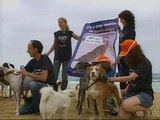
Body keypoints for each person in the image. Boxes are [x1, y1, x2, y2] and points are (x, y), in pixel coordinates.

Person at [109, 39, 154, 119]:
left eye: (127, 53)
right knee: (122, 116)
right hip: (131, 92)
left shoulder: (144, 63)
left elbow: (131, 77)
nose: (126, 56)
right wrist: (126, 88)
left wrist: (110, 79)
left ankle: (146, 110)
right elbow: (132, 80)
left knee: (126, 105)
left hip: (145, 94)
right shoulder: (132, 61)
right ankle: (133, 110)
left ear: (133, 52)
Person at [19, 40, 57, 115]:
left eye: (29, 48)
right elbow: (23, 71)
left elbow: (43, 78)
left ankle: (37, 107)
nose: (27, 51)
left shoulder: (45, 59)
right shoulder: (32, 62)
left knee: (33, 84)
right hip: (39, 89)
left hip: (50, 87)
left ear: (36, 49)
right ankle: (36, 104)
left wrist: (26, 73)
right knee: (21, 111)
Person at [46, 17, 80, 90]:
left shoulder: (70, 33)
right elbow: (54, 45)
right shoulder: (57, 33)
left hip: (67, 57)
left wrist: (86, 37)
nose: (60, 24)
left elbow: (78, 38)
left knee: (64, 77)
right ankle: (53, 90)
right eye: (59, 22)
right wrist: (48, 53)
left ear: (65, 23)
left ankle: (63, 91)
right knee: (54, 75)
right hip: (57, 57)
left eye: (61, 22)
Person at [116, 10, 136, 98]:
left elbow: (127, 46)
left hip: (127, 58)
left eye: (122, 19)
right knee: (121, 78)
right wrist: (117, 26)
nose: (121, 21)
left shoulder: (131, 31)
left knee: (127, 77)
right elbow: (121, 36)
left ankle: (127, 97)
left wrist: (119, 57)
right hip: (121, 57)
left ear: (127, 19)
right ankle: (123, 98)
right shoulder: (124, 29)